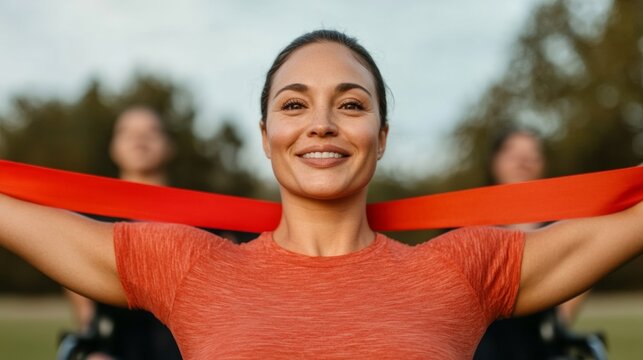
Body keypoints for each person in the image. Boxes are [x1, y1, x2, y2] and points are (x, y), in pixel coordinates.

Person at [1, 29, 642, 359]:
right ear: (266, 135)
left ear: (381, 136)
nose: (322, 123)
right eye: (295, 103)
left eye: (352, 103)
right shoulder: (189, 263)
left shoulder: (463, 267)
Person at [63, 106, 182, 360]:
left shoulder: (201, 220)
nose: (139, 139)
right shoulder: (89, 219)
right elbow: (78, 290)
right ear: (113, 147)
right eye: (127, 133)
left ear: (169, 145)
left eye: (151, 131)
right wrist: (93, 346)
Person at [473, 127, 593, 359]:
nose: (523, 160)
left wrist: (561, 317)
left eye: (532, 153)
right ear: (494, 161)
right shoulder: (466, 221)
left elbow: (587, 256)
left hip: (540, 344)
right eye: (513, 153)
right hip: (486, 345)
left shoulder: (561, 220)